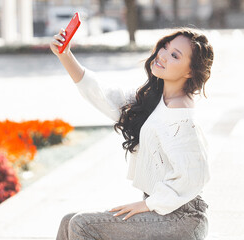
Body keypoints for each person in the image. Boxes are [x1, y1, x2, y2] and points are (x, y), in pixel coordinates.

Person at [50, 27, 214, 240]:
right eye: (165, 47)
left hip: (183, 219)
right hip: (165, 210)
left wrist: (147, 204)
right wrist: (65, 55)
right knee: (68, 221)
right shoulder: (157, 100)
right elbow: (106, 96)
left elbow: (195, 175)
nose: (163, 55)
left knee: (82, 225)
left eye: (175, 55)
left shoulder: (181, 115)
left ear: (190, 71)